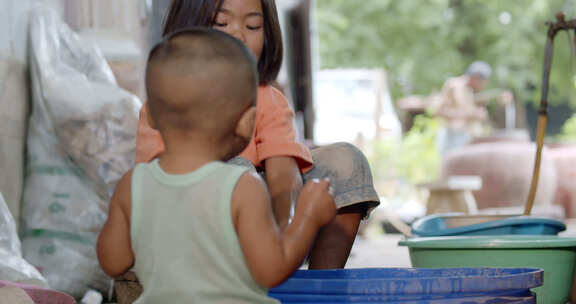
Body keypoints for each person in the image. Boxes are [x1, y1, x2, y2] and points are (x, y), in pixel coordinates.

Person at [97, 28, 337, 303]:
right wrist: (308, 216)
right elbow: (271, 271)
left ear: (150, 115)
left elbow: (113, 262)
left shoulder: (133, 184)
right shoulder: (242, 187)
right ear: (247, 122)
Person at [135, 0, 380, 269]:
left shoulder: (267, 98)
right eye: (221, 23)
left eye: (253, 25)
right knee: (237, 174)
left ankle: (318, 289)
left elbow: (283, 175)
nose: (239, 34)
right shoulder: (163, 107)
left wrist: (289, 232)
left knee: (346, 161)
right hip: (190, 244)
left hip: (265, 235)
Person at [434, 61, 512, 156]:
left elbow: (476, 101)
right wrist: (472, 114)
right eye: (484, 81)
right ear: (475, 77)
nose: (484, 85)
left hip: (463, 137)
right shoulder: (453, 85)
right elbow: (438, 111)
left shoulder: (468, 91)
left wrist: (497, 95)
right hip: (450, 137)